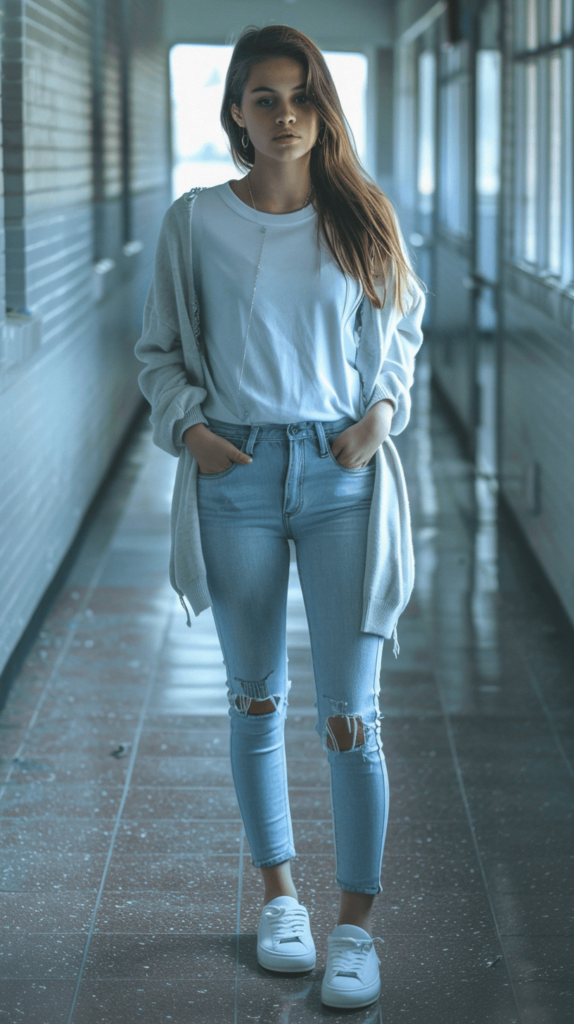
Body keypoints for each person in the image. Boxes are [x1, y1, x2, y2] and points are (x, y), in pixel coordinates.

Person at [135, 24, 424, 1011]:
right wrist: (193, 433)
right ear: (236, 113)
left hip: (342, 474)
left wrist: (380, 414)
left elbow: (399, 339)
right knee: (255, 699)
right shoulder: (195, 224)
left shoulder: (362, 216)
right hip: (239, 475)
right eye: (265, 97)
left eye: (301, 96)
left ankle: (353, 927)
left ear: (323, 110)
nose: (286, 113)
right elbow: (158, 351)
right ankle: (281, 901)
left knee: (352, 715)